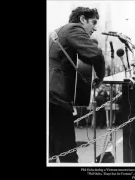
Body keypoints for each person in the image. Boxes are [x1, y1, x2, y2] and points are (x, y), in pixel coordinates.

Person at [49, 7, 105, 163]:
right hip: (56, 97)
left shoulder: (57, 32)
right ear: (82, 20)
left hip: (51, 94)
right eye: (93, 22)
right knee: (68, 151)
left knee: (51, 149)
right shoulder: (74, 29)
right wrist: (100, 78)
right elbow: (96, 54)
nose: (94, 28)